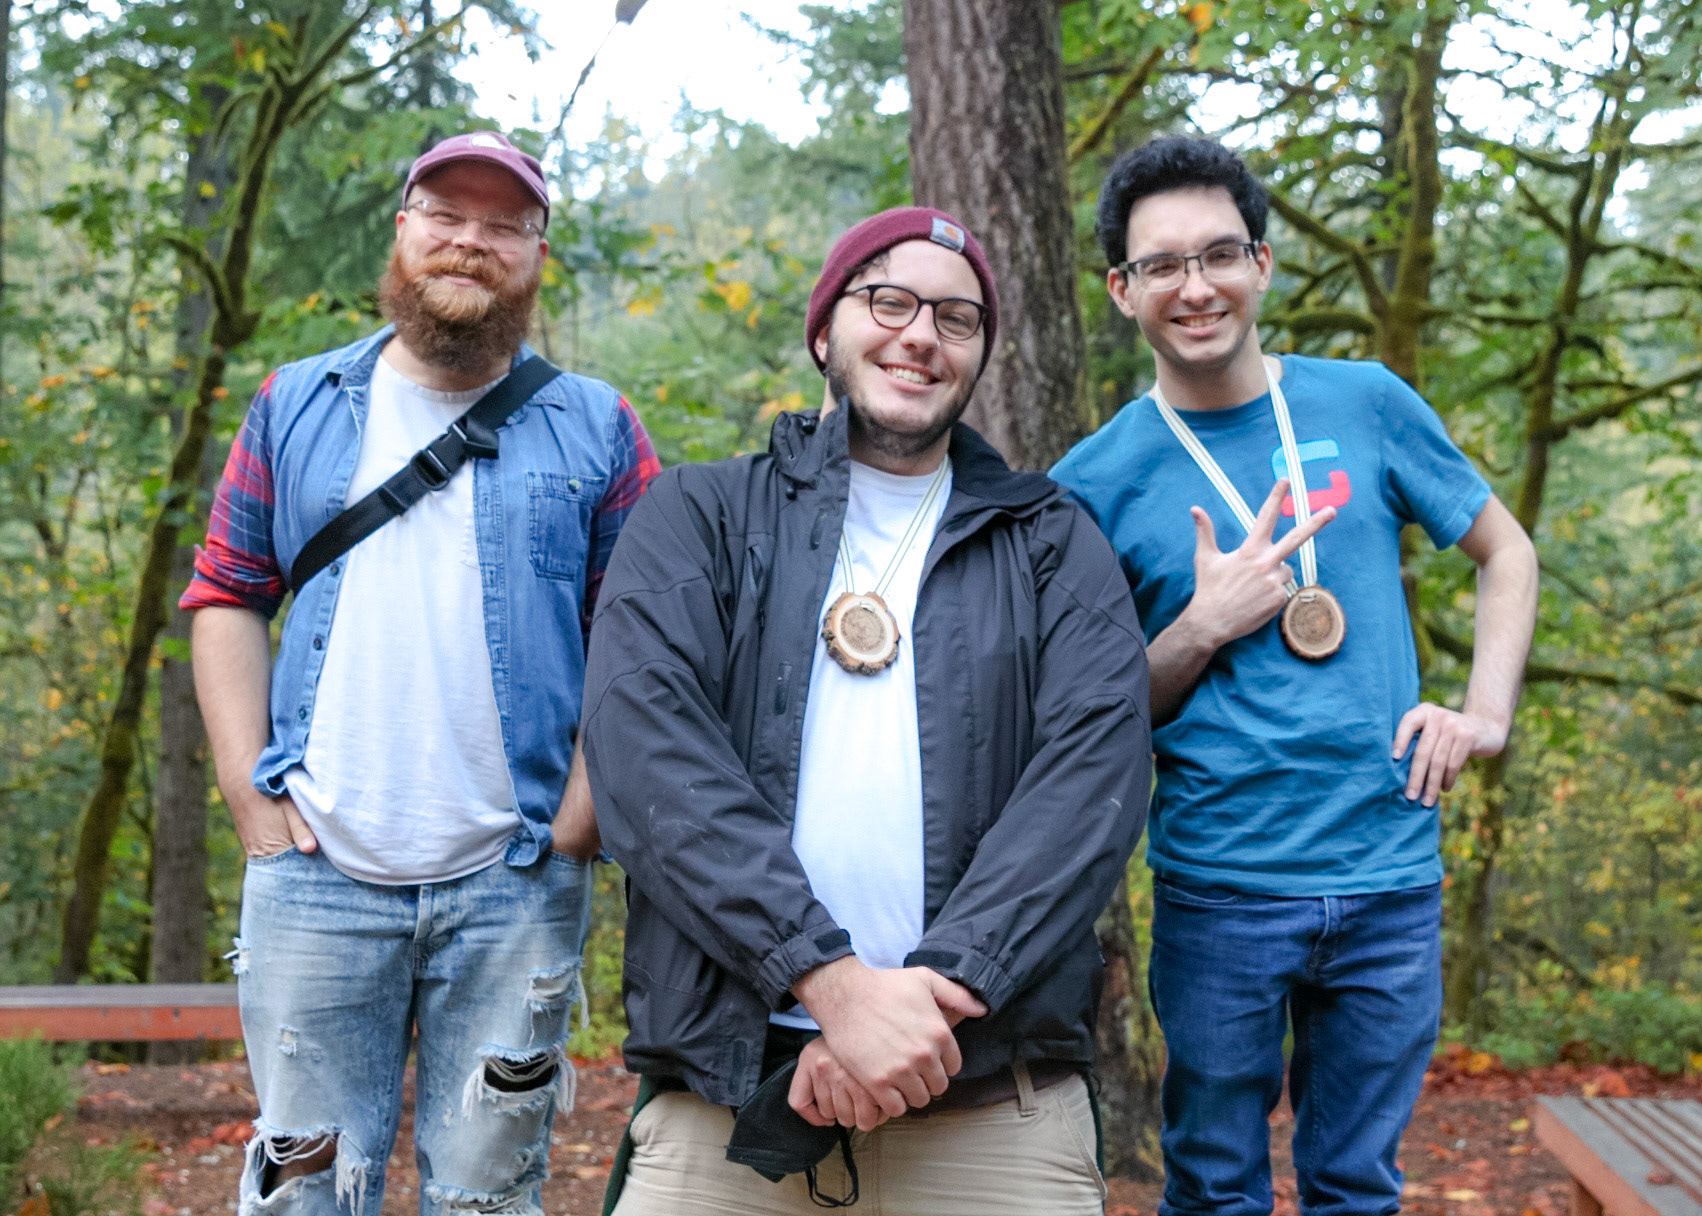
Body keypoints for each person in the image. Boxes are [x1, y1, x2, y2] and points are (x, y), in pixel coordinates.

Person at [582, 206, 1152, 1215]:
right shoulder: (699, 517)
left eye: (957, 317)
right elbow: (648, 755)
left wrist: (923, 1007)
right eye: (888, 301)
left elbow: (1090, 780)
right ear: (823, 331)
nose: (921, 333)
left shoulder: (1052, 541)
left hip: (995, 1115)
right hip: (726, 1112)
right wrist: (830, 986)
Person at [1051, 136, 1540, 1216]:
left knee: (1356, 1188)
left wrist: (1485, 714)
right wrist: (1199, 627)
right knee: (1214, 1188)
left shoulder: (1366, 403)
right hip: (1218, 885)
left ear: (1261, 265)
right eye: (1162, 264)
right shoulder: (1090, 483)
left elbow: (1507, 550)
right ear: (1123, 290)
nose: (1195, 286)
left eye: (1219, 254)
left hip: (1388, 871)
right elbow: (1092, 715)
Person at [181, 130, 659, 1216]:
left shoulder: (598, 424)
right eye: (445, 213)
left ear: (537, 255)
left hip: (516, 879)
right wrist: (248, 795)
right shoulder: (296, 402)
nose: (469, 241)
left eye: (504, 224)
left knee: (488, 1198)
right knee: (300, 1193)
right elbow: (227, 593)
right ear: (403, 228)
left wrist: (580, 822)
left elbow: (643, 644)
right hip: (313, 871)